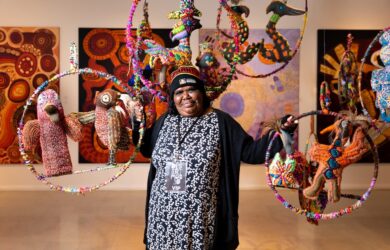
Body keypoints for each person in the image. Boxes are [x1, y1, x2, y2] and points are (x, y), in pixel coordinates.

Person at [131, 65, 296, 250]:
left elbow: (251, 152)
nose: (185, 96)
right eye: (179, 92)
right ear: (173, 98)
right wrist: (138, 123)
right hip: (162, 218)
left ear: (201, 92)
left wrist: (283, 130)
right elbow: (145, 149)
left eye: (191, 89)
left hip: (201, 220)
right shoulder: (165, 121)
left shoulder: (220, 121)